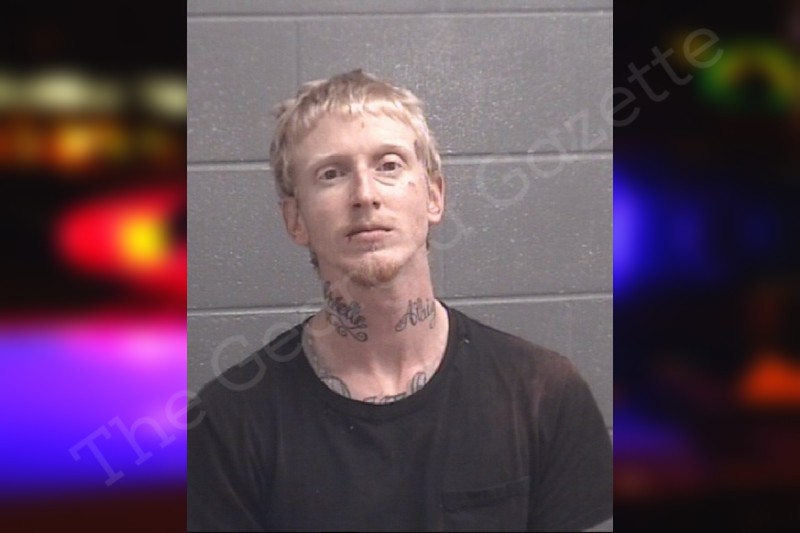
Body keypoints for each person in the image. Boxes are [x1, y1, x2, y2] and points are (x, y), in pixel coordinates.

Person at [187, 69, 612, 532]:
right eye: (332, 174)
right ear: (296, 219)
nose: (365, 195)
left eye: (388, 165)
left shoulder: (543, 394)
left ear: (434, 195)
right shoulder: (227, 425)